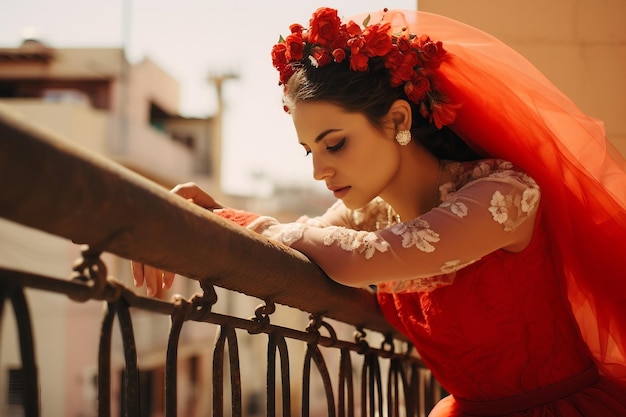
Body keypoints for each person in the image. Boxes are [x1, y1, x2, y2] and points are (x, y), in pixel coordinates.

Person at [132, 7, 626, 416]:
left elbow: (356, 259)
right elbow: (302, 236)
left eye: (336, 144)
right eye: (310, 151)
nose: (319, 172)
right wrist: (209, 217)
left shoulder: (504, 195)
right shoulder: (368, 214)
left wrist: (234, 221)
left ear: (397, 120)